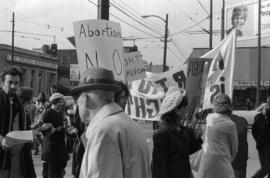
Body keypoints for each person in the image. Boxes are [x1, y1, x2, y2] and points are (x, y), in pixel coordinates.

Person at [71, 67, 151, 178]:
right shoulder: (130, 124)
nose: (77, 105)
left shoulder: (104, 130)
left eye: (76, 100)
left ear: (84, 98)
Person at [151, 87, 203, 178]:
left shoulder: (182, 129)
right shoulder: (162, 133)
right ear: (176, 110)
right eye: (184, 107)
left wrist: (196, 137)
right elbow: (158, 167)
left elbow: (186, 151)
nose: (186, 110)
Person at [0, 67, 36, 178]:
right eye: (10, 82)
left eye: (16, 83)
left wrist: (31, 138)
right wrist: (1, 141)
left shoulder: (18, 103)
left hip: (18, 161)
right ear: (2, 82)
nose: (13, 86)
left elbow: (22, 128)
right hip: (2, 161)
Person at [198, 94, 238, 178]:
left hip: (207, 160)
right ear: (230, 106)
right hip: (223, 161)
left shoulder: (209, 118)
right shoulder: (230, 125)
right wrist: (229, 159)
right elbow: (234, 147)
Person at [41, 93, 69, 178]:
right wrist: (57, 129)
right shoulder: (48, 113)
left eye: (62, 102)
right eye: (59, 102)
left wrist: (69, 129)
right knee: (51, 170)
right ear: (54, 102)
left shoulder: (62, 113)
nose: (61, 104)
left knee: (60, 168)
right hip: (51, 146)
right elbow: (44, 131)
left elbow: (67, 125)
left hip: (60, 145)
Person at [251, 96, 270, 178]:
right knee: (266, 168)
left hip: (263, 146)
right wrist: (260, 142)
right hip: (264, 147)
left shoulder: (260, 117)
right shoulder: (260, 117)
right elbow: (255, 131)